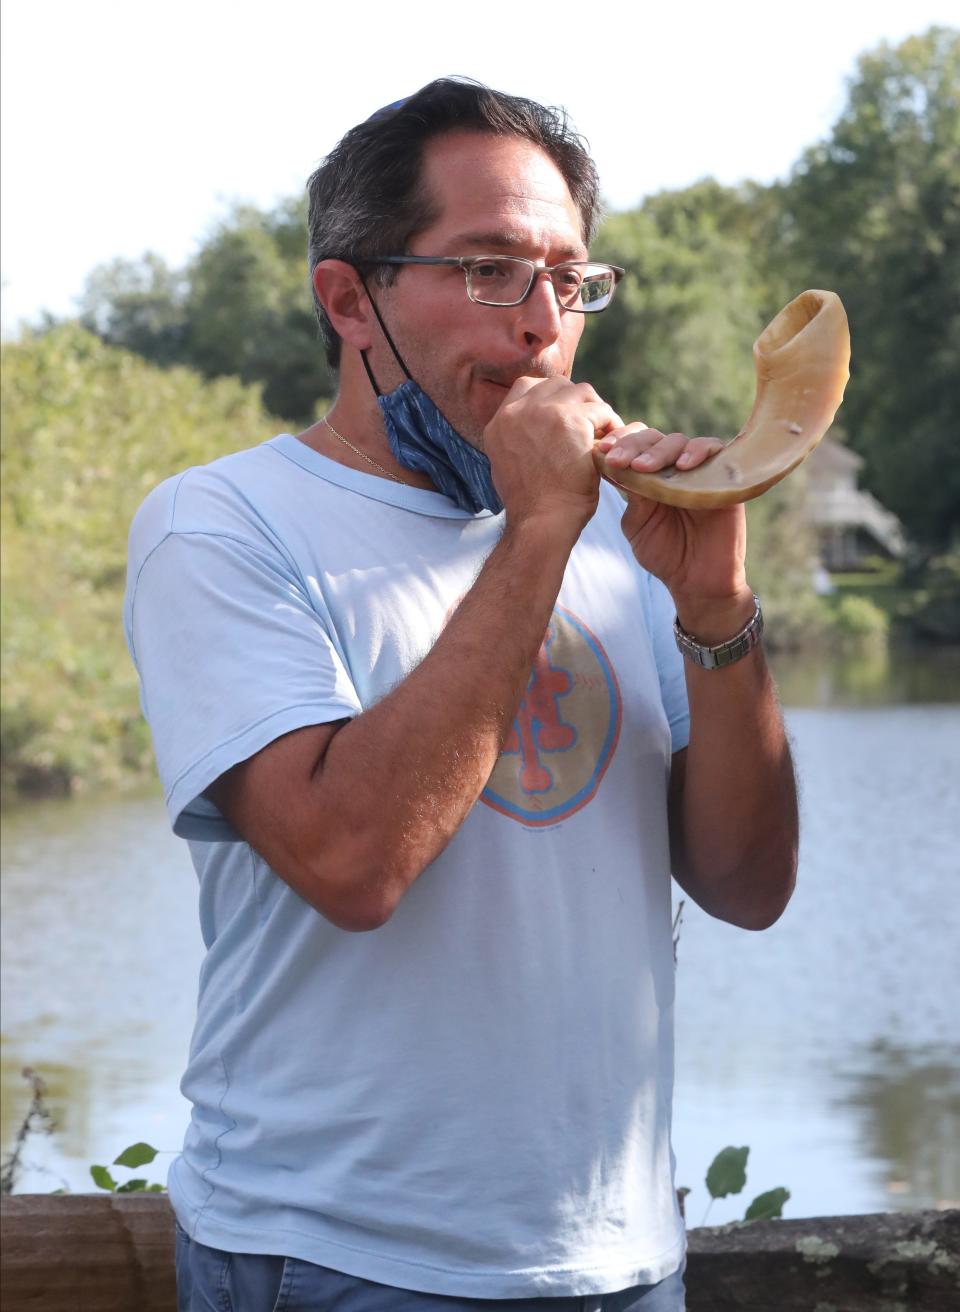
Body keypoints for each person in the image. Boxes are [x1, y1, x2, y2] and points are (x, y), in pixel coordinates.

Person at [124, 78, 798, 1312]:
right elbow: (354, 860)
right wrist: (541, 524)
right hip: (339, 1254)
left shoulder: (630, 545)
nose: (544, 323)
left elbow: (751, 886)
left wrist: (715, 612)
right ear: (349, 299)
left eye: (570, 279)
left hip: (622, 1258)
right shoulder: (222, 526)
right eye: (488, 269)